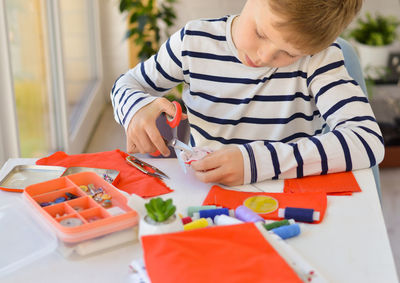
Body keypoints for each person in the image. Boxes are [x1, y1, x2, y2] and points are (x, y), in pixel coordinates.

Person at [111, 0, 384, 186]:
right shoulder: (193, 42)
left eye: (289, 53)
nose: (263, 55)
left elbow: (367, 141)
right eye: (261, 33)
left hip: (285, 199)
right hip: (204, 195)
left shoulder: (319, 60)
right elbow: (126, 84)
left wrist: (257, 162)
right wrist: (135, 109)